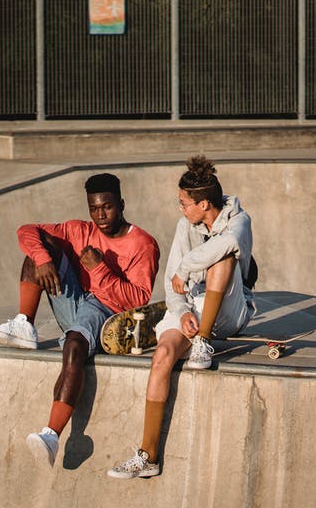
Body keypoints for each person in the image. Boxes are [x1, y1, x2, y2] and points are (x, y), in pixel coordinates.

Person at [0, 172, 160, 467]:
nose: (100, 216)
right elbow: (26, 230)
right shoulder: (80, 231)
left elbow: (136, 300)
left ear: (122, 204)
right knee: (38, 251)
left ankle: (52, 435)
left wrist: (100, 269)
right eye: (94, 208)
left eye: (107, 207)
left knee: (74, 346)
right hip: (75, 302)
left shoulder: (143, 244)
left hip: (108, 313)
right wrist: (43, 258)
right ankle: (25, 324)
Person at [107, 155, 255, 479]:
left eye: (184, 203)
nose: (180, 209)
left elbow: (226, 244)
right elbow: (171, 281)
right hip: (194, 306)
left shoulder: (238, 221)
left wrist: (188, 267)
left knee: (223, 258)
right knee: (161, 356)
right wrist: (183, 311)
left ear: (204, 203)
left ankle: (203, 341)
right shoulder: (183, 227)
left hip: (229, 311)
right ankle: (148, 454)